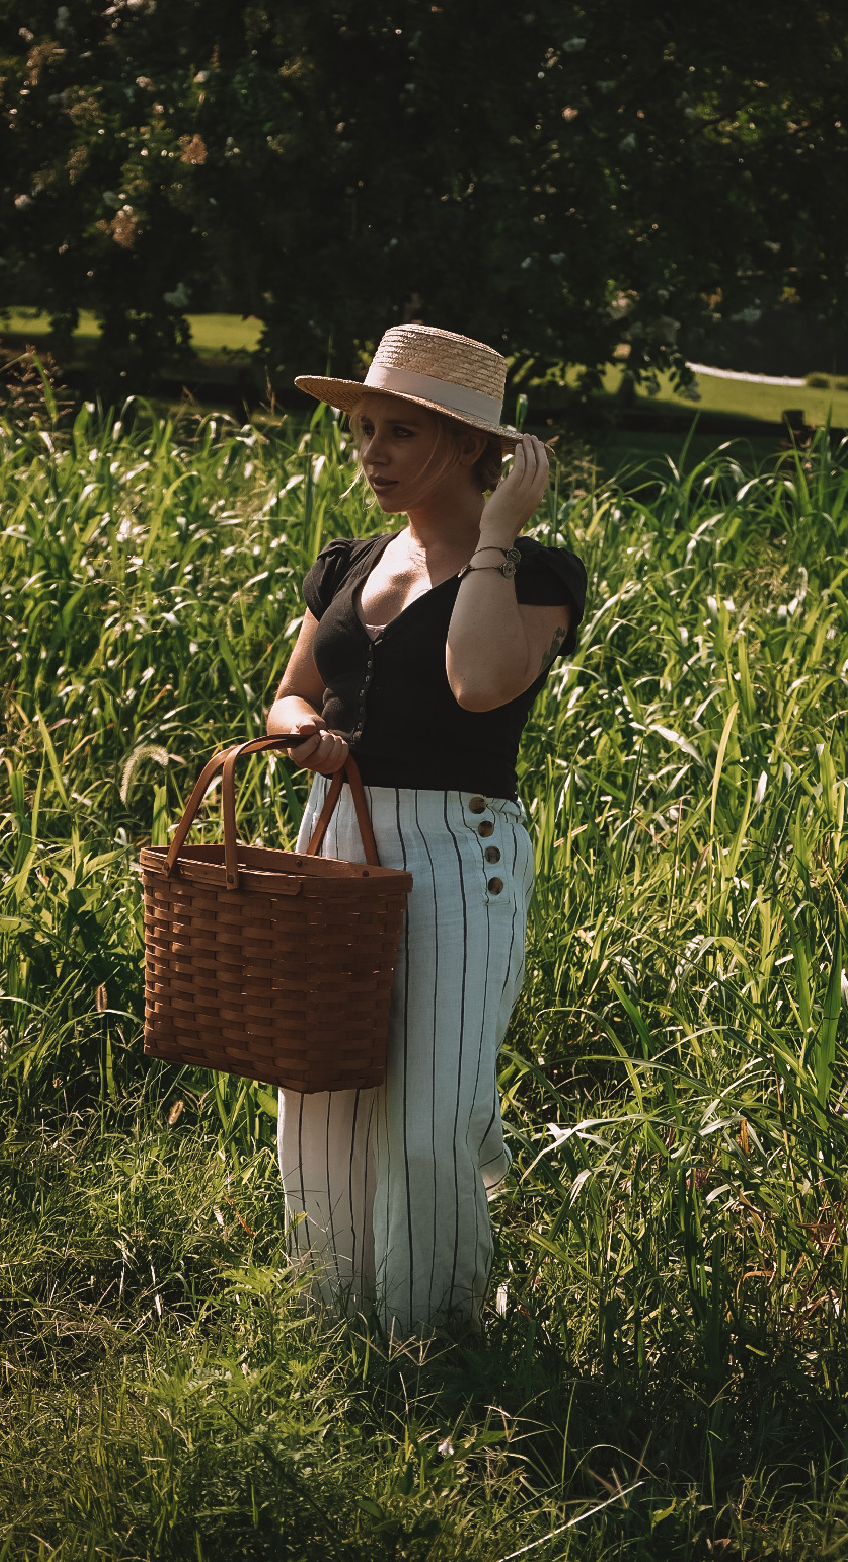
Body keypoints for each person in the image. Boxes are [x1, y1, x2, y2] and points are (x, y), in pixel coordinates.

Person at [266, 323, 587, 1339]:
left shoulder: (536, 573)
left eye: (399, 433)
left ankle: (435, 1336)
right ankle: (328, 1323)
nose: (371, 454)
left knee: (431, 1114)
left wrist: (495, 535)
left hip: (461, 851)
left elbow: (479, 683)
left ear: (468, 444)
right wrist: (305, 734)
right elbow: (286, 699)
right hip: (337, 833)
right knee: (319, 1098)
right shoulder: (348, 564)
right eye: (363, 431)